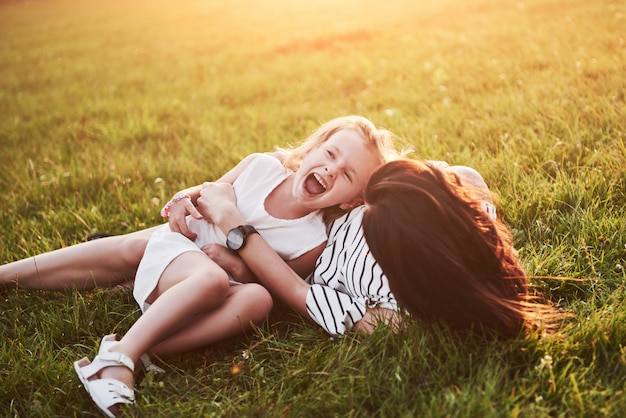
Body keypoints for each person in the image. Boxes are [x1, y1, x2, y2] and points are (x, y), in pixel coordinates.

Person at [0, 115, 403, 417]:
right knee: (197, 271)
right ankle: (119, 359)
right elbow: (205, 192)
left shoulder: (313, 240)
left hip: (209, 297)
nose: (331, 168)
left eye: (347, 174)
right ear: (313, 149)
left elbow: (272, 282)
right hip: (180, 257)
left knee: (259, 300)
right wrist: (182, 201)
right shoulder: (261, 167)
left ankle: (132, 348)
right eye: (330, 154)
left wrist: (241, 268)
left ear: (351, 200)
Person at [196, 159, 558, 339]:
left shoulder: (396, 316)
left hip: (289, 254)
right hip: (321, 204)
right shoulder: (464, 189)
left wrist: (234, 226)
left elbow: (296, 290)